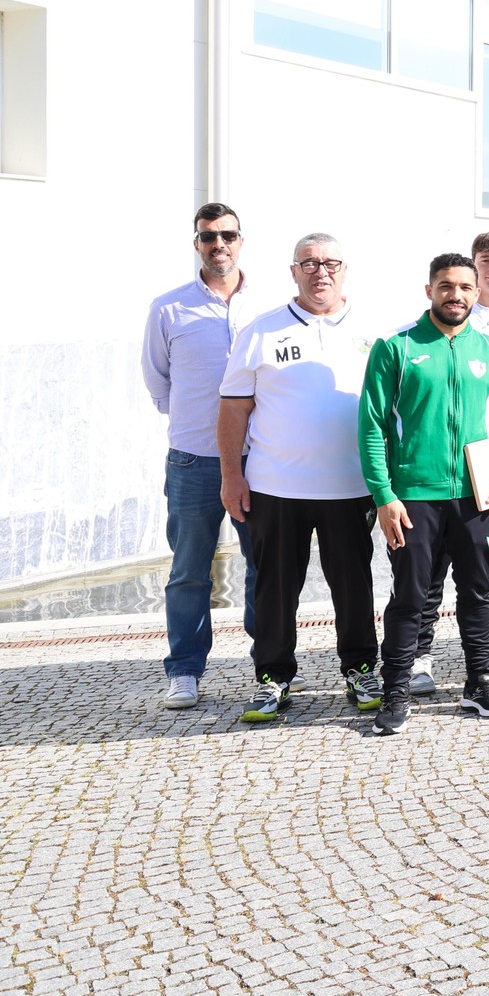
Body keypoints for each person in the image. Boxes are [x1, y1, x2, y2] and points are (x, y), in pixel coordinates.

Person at [359, 254, 489, 735]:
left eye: (465, 288)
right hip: (412, 495)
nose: (456, 295)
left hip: (475, 495)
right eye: (446, 286)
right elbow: (371, 425)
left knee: (479, 592)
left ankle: (480, 683)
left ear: (478, 293)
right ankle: (394, 689)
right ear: (429, 290)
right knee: (411, 596)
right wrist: (383, 495)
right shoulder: (397, 347)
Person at [219, 232, 378, 723]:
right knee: (274, 589)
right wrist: (231, 477)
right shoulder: (262, 331)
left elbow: (393, 412)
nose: (320, 271)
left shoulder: (376, 332)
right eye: (308, 263)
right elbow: (232, 410)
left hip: (350, 487)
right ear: (293, 272)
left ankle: (360, 669)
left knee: (353, 587)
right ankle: (273, 677)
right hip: (276, 487)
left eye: (330, 262)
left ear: (345, 270)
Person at [410, 230, 489, 694]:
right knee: (429, 571)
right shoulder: (456, 312)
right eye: (484, 260)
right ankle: (420, 653)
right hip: (446, 460)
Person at [142, 202, 260, 710]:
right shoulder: (168, 308)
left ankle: (269, 664)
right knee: (189, 570)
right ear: (197, 243)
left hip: (259, 458)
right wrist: (196, 422)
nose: (219, 244)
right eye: (209, 236)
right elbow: (157, 378)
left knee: (263, 565)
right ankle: (185, 670)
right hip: (192, 459)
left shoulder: (267, 308)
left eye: (227, 235)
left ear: (240, 240)